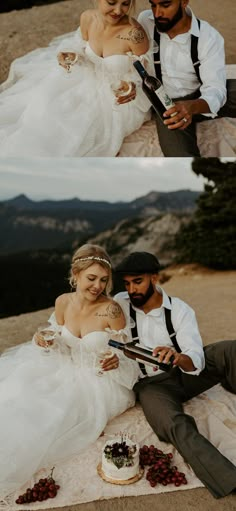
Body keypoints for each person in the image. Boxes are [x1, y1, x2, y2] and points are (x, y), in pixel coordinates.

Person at [0, 244, 140, 502]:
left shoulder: (111, 310)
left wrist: (115, 360)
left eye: (104, 280)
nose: (98, 286)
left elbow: (126, 353)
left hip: (98, 381)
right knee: (17, 391)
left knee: (52, 416)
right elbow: (57, 339)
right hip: (63, 366)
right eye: (91, 278)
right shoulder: (62, 302)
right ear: (75, 274)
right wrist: (44, 342)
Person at [114, 251, 236, 498]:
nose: (132, 290)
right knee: (172, 423)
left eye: (138, 282)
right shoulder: (120, 303)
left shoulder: (180, 310)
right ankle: (229, 479)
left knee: (229, 349)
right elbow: (92, 314)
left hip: (186, 373)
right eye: (127, 283)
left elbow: (194, 354)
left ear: (155, 278)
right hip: (152, 385)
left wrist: (178, 357)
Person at [0, 0, 153, 157]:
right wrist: (72, 55)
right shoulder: (88, 18)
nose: (118, 10)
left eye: (125, 4)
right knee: (44, 109)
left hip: (116, 100)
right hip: (85, 79)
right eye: (111, 2)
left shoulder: (135, 34)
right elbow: (80, 45)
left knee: (77, 131)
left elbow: (145, 74)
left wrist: (132, 86)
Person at [135, 0, 236, 156]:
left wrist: (192, 106)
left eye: (165, 5)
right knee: (181, 161)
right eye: (153, 5)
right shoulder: (145, 22)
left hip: (199, 98)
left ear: (183, 2)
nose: (157, 13)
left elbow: (215, 88)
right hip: (167, 106)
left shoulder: (208, 36)